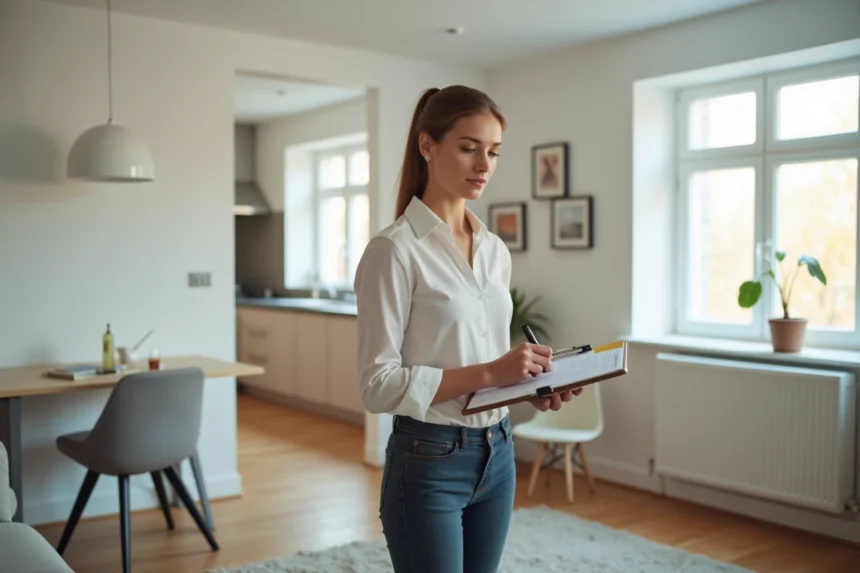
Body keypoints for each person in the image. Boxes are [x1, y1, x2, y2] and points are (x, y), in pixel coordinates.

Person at [353, 85, 581, 573]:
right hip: (428, 460)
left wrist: (530, 385)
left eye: (494, 151)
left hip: (498, 453)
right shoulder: (394, 251)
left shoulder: (495, 250)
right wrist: (490, 372)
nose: (484, 164)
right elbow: (377, 385)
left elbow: (489, 369)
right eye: (468, 147)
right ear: (427, 145)